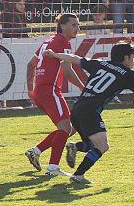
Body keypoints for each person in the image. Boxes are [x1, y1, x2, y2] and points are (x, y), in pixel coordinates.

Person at [43, 41, 134, 184]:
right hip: (90, 112)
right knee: (102, 146)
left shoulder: (100, 63)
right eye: (132, 57)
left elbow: (75, 59)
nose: (133, 61)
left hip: (77, 108)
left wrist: (54, 54)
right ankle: (78, 175)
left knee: (91, 144)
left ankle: (74, 146)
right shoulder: (128, 74)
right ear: (126, 58)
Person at [24, 13, 87, 176]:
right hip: (50, 90)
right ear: (63, 26)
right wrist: (83, 87)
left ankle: (36, 151)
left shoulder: (47, 41)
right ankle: (53, 168)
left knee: (66, 128)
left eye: (78, 25)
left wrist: (30, 89)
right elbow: (67, 72)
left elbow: (30, 64)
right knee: (66, 128)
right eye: (74, 25)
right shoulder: (62, 42)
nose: (77, 28)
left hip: (41, 92)